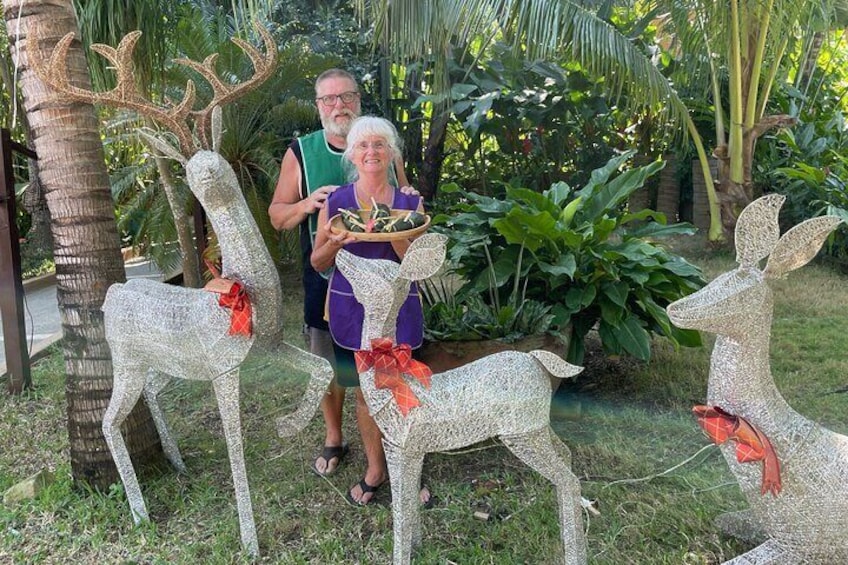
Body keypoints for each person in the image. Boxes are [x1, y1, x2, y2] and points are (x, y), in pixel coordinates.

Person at [268, 69, 410, 479]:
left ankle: (390, 447)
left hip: (383, 277)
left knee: (381, 361)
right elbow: (277, 215)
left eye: (345, 96)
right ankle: (334, 436)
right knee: (328, 365)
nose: (338, 106)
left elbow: (404, 198)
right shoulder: (302, 151)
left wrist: (413, 202)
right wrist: (307, 205)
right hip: (326, 274)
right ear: (318, 107)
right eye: (328, 99)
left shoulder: (381, 143)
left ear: (358, 100)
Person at [311, 116, 426, 505]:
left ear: (391, 153)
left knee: (399, 389)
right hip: (351, 312)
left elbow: (416, 265)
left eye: (379, 145)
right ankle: (376, 468)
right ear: (352, 154)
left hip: (398, 309)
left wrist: (393, 233)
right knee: (364, 394)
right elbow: (317, 261)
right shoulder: (337, 203)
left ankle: (408, 471)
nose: (371, 152)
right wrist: (338, 242)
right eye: (363, 146)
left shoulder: (411, 202)